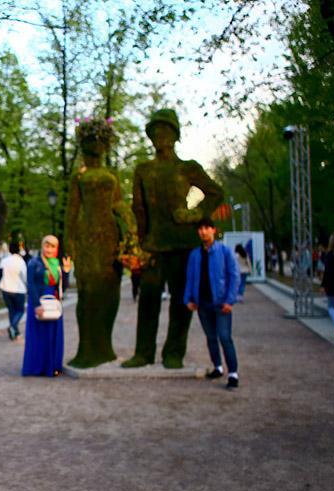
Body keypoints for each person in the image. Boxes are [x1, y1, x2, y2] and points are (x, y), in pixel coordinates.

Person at [122, 109, 225, 369]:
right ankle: (143, 353)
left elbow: (215, 193)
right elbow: (139, 209)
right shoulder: (143, 170)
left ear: (175, 135)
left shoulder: (187, 167)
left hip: (183, 244)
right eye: (155, 132)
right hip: (154, 245)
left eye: (165, 131)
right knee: (148, 301)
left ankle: (174, 353)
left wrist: (195, 214)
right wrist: (138, 243)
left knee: (180, 303)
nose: (159, 136)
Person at [65, 117, 138, 367]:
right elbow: (72, 212)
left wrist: (128, 221)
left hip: (110, 237)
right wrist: (70, 243)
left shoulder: (112, 174)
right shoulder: (79, 176)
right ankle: (87, 348)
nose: (94, 143)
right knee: (87, 294)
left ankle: (104, 346)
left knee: (109, 291)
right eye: (89, 138)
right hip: (86, 238)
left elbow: (118, 202)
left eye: (99, 139)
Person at [184, 217, 241, 389]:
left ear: (213, 230)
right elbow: (190, 277)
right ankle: (217, 366)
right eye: (200, 229)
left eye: (207, 228)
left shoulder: (225, 252)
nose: (203, 231)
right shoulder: (195, 255)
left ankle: (233, 373)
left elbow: (234, 276)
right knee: (210, 338)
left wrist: (230, 300)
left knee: (225, 337)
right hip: (203, 303)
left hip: (221, 303)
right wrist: (188, 299)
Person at [22, 235, 71, 377]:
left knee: (53, 335)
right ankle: (37, 367)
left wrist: (66, 273)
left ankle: (53, 366)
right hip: (38, 302)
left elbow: (63, 287)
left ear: (56, 248)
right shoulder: (34, 262)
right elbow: (31, 285)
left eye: (53, 246)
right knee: (39, 336)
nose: (49, 249)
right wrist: (36, 304)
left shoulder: (58, 264)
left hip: (54, 303)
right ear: (42, 246)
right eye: (47, 246)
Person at [0, 241, 28, 340]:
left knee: (11, 311)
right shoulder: (20, 261)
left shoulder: (4, 260)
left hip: (6, 289)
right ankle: (13, 327)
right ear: (18, 250)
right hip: (18, 289)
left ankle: (15, 333)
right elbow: (25, 276)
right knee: (20, 311)